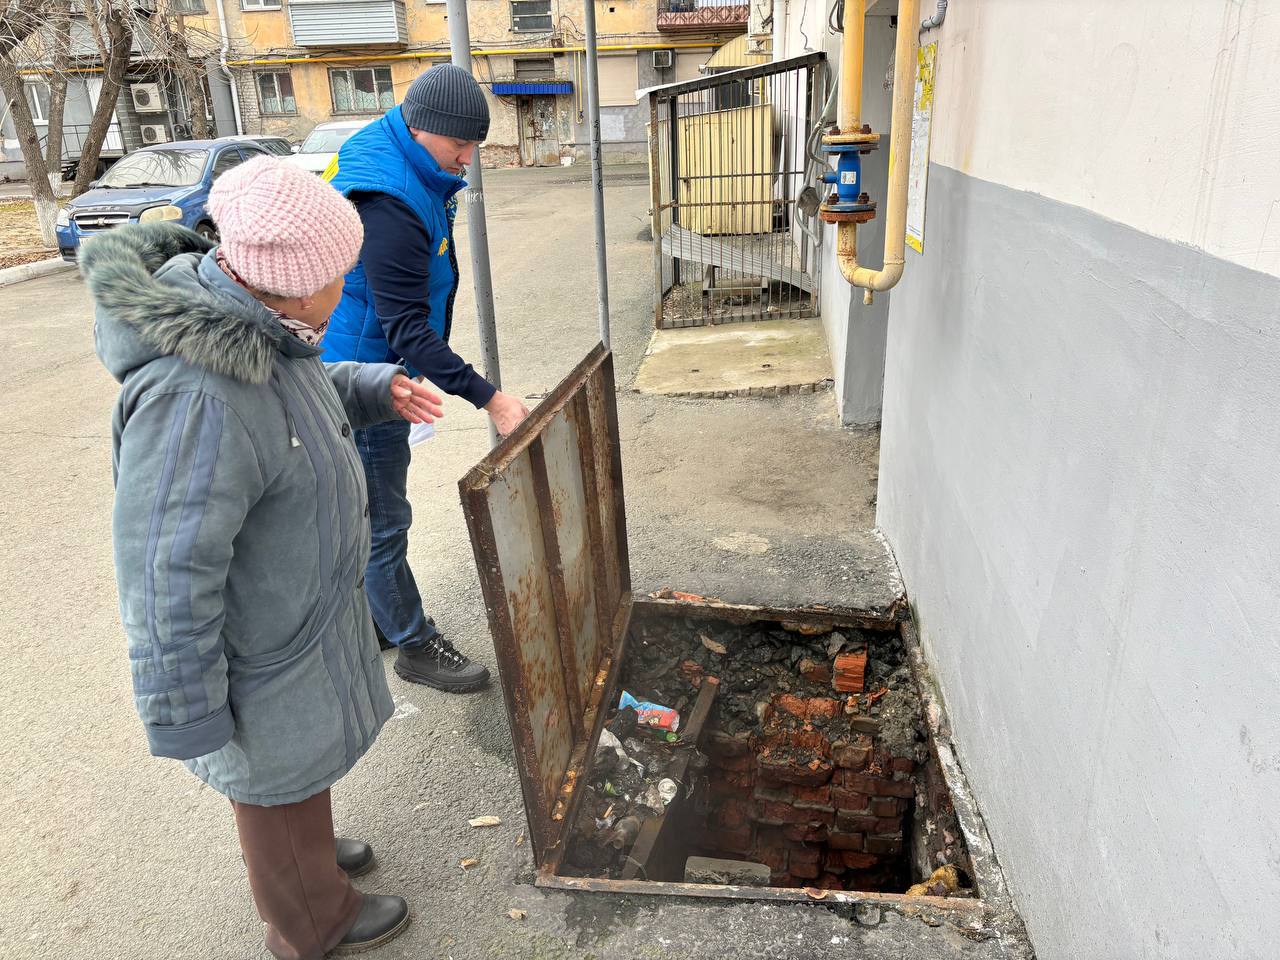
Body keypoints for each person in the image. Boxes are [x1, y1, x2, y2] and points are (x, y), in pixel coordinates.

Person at [83, 157, 443, 960]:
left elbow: (292, 399)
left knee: (294, 765)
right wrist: (185, 705)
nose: (345, 289)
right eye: (339, 276)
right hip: (256, 645)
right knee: (272, 778)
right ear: (294, 284)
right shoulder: (195, 396)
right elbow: (163, 567)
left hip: (292, 619)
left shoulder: (261, 328)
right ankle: (311, 920)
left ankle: (304, 851)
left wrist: (371, 388)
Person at [322, 63, 529, 693]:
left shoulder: (396, 154)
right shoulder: (388, 202)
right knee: (383, 520)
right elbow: (408, 329)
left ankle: (378, 618)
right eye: (460, 145)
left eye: (474, 145)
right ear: (420, 128)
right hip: (364, 377)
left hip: (359, 353)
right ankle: (413, 643)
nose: (468, 159)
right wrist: (490, 398)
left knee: (370, 513)